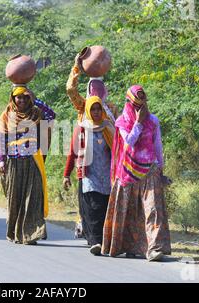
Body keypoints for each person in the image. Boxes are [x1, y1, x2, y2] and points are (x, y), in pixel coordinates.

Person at [102, 85, 171, 261]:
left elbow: (158, 146)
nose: (139, 109)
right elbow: (129, 143)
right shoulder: (121, 122)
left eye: (141, 105)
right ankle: (131, 246)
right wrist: (138, 123)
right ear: (128, 102)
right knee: (130, 212)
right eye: (135, 105)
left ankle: (155, 248)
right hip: (127, 172)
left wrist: (161, 171)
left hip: (150, 170)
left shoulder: (153, 120)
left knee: (152, 209)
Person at [65, 54, 119, 240]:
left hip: (107, 161)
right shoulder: (83, 107)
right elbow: (71, 90)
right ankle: (90, 232)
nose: (96, 93)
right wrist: (77, 68)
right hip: (85, 159)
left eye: (99, 89)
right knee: (87, 199)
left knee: (104, 200)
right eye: (93, 89)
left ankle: (103, 235)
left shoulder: (110, 110)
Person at [0, 86, 55, 245]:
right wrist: (1, 160)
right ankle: (15, 233)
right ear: (13, 98)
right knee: (14, 198)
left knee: (32, 198)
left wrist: (35, 99)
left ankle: (30, 234)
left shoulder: (36, 113)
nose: (22, 100)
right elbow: (1, 139)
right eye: (18, 97)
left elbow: (51, 115)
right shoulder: (6, 115)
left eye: (25, 97)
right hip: (14, 162)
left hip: (33, 161)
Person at [63, 96, 114, 256]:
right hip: (89, 176)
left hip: (107, 176)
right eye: (93, 109)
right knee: (93, 209)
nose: (96, 112)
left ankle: (106, 241)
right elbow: (72, 153)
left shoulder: (109, 128)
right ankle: (95, 241)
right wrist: (66, 175)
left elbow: (118, 151)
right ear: (88, 111)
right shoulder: (82, 128)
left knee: (105, 209)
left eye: (99, 109)